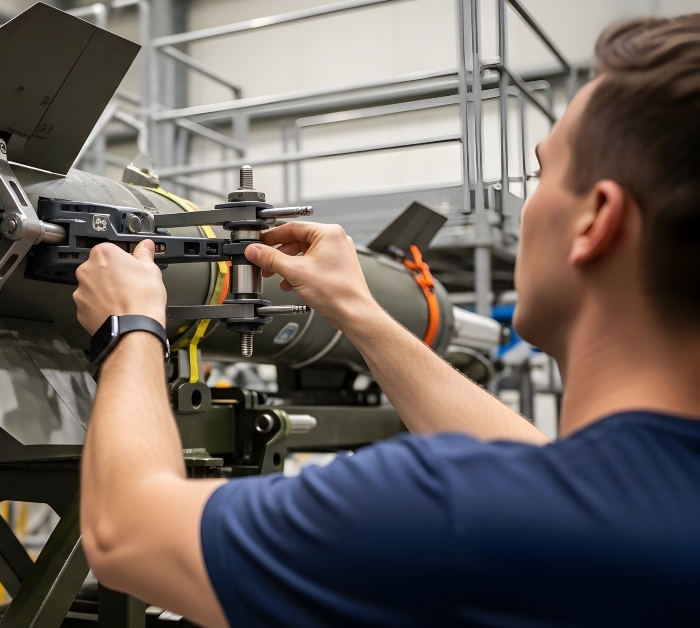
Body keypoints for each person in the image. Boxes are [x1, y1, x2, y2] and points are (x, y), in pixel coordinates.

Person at [71, 14, 700, 627]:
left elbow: (127, 534)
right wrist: (358, 310)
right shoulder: (648, 502)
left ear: (596, 220)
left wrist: (130, 327)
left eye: (541, 175)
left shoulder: (448, 510)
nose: (527, 205)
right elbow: (534, 467)